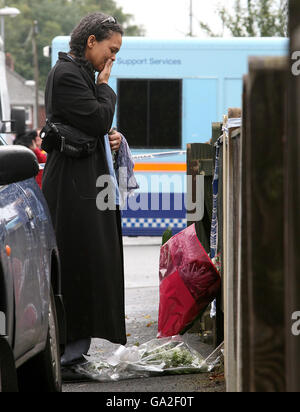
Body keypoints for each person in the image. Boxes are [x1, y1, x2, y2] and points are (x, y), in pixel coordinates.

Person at [41, 13, 126, 373]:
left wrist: (113, 137)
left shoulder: (78, 74)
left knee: (89, 262)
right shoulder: (68, 75)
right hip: (73, 188)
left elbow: (94, 125)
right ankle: (67, 354)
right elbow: (95, 120)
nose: (112, 59)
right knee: (77, 262)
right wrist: (106, 87)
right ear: (91, 41)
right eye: (111, 50)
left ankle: (75, 351)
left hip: (84, 184)